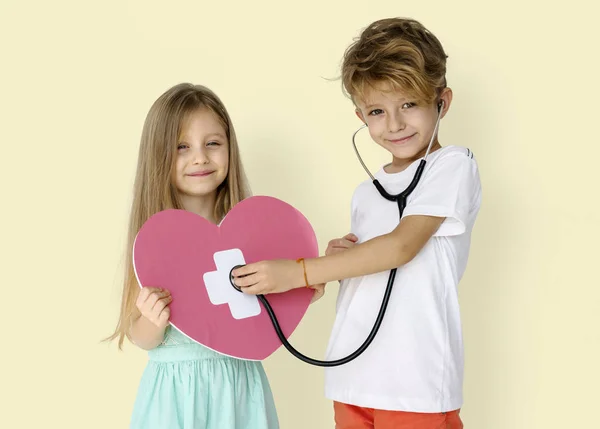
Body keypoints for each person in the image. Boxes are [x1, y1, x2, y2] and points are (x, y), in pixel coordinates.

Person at [232, 18, 482, 428]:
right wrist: (337, 265)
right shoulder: (367, 193)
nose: (395, 124)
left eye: (410, 104)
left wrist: (301, 271)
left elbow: (400, 247)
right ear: (360, 115)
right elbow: (372, 270)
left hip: (415, 382)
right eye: (377, 111)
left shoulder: (453, 166)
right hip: (352, 378)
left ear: (443, 101)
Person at [106, 83, 321, 428]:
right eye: (181, 147)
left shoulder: (254, 237)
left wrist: (302, 290)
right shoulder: (152, 243)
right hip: (176, 396)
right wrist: (152, 319)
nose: (200, 158)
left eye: (213, 144)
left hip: (240, 387)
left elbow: (265, 315)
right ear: (158, 155)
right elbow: (141, 338)